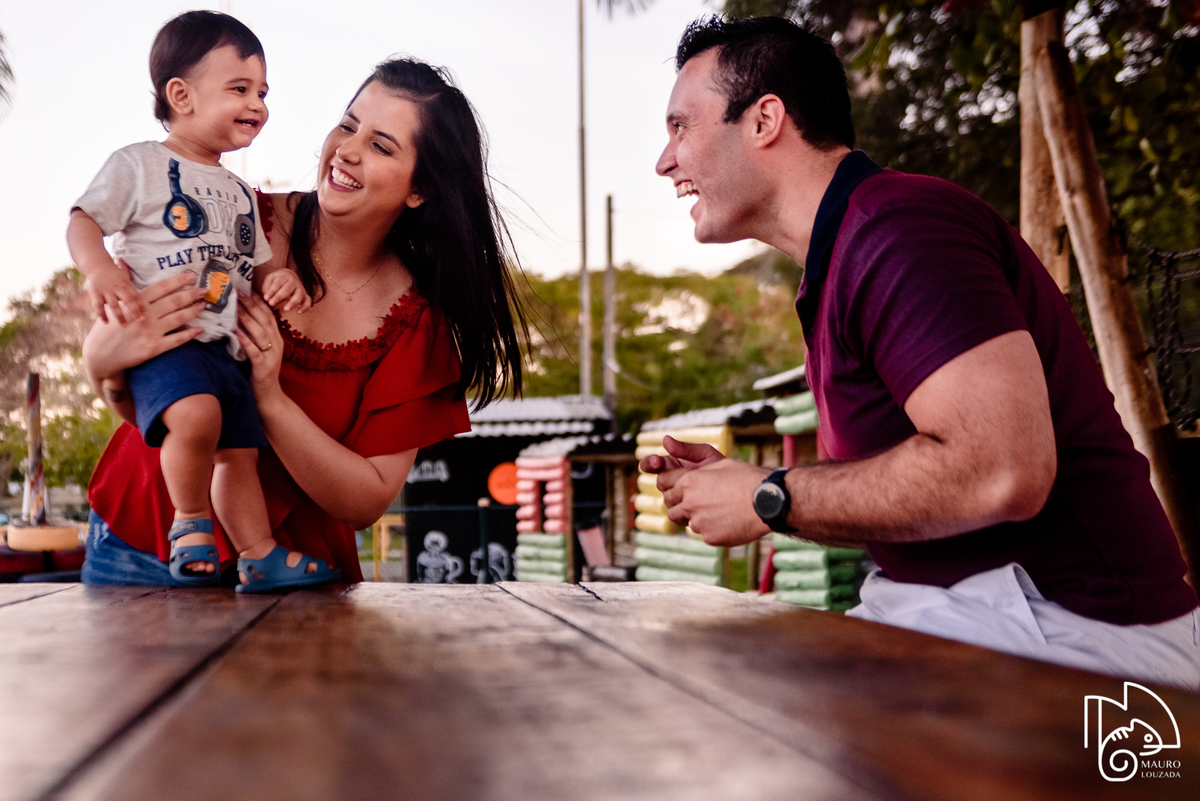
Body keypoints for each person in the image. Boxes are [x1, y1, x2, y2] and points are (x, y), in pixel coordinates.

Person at [645, 16, 1199, 689]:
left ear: (765, 120)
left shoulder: (897, 229)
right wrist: (745, 486)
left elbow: (1001, 470)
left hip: (1079, 638)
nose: (665, 159)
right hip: (984, 617)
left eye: (681, 127)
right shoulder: (840, 256)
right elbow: (921, 486)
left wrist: (769, 496)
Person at [81, 56, 525, 588]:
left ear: (419, 189)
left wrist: (269, 398)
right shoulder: (232, 218)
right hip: (140, 541)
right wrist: (101, 367)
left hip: (291, 572)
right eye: (348, 124)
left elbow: (364, 501)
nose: (347, 150)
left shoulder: (417, 323)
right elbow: (151, 389)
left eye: (381, 146)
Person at [68, 11, 324, 592]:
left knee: (239, 456)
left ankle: (258, 554)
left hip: (223, 349)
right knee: (197, 418)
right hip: (166, 341)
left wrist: (284, 282)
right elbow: (83, 220)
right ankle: (188, 524)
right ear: (180, 95)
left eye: (262, 92)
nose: (257, 103)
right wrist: (99, 270)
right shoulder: (140, 164)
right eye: (239, 89)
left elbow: (257, 267)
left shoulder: (235, 191)